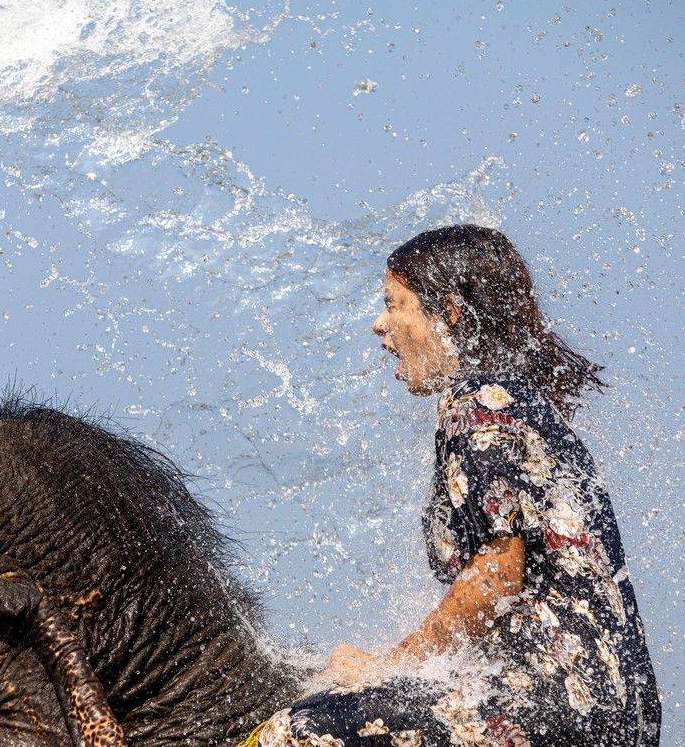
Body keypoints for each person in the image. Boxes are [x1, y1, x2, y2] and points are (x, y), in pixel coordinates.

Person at [252, 225, 661, 747]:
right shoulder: (516, 399)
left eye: (393, 304)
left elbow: (497, 573)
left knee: (296, 729)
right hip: (622, 709)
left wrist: (386, 668)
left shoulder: (473, 401)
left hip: (549, 699)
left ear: (449, 313)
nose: (379, 325)